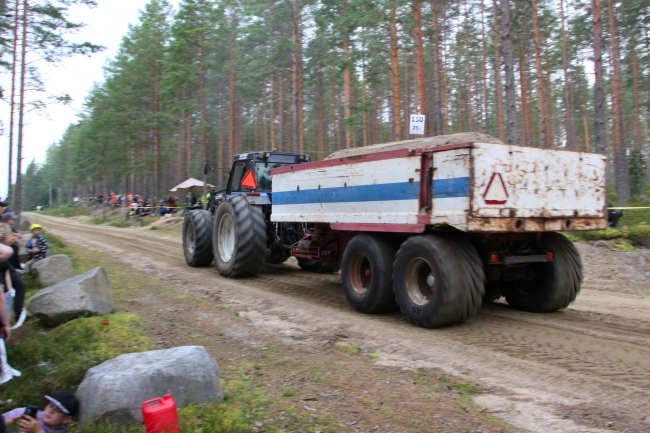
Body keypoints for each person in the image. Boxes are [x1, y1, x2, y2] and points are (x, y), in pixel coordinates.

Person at [2, 391, 79, 433]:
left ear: (66, 419)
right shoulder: (25, 413)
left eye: (58, 410)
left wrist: (37, 431)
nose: (51, 411)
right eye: (51, 406)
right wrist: (11, 422)